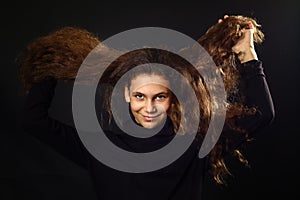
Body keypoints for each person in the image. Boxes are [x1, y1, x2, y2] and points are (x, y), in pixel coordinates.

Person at [17, 15, 275, 200]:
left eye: (159, 97)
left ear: (172, 98)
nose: (149, 107)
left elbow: (262, 114)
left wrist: (247, 54)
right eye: (140, 96)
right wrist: (51, 63)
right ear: (127, 94)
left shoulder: (195, 147)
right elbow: (34, 121)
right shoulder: (100, 149)